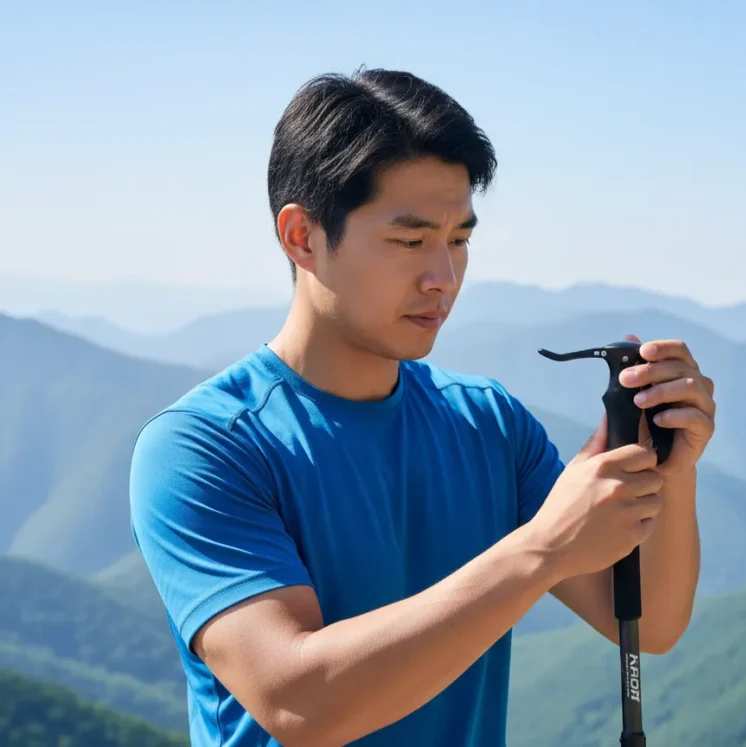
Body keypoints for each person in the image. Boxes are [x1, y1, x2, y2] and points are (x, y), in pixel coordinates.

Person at [128, 67, 715, 747]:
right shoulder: (204, 447)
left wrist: (671, 465)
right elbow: (300, 704)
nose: (443, 276)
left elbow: (646, 622)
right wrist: (543, 547)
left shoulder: (488, 425)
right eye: (410, 241)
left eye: (459, 239)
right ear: (302, 236)